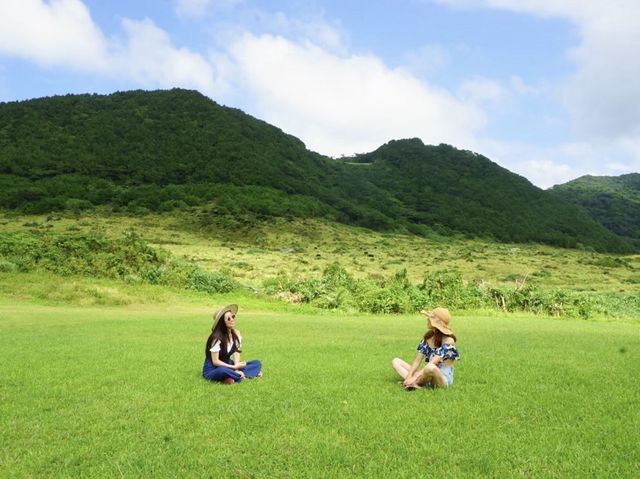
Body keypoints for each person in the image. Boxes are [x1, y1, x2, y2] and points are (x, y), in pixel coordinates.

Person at [392, 307, 460, 389]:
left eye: (430, 319)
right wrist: (409, 377)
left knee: (430, 367)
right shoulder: (428, 338)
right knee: (396, 361)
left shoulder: (449, 341)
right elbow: (417, 361)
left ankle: (416, 384)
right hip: (426, 376)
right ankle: (413, 383)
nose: (427, 320)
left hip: (442, 380)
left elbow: (433, 363)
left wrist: (415, 377)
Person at [202, 304, 262, 384]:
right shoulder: (216, 338)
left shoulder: (236, 334)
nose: (232, 320)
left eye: (233, 317)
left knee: (257, 363)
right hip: (214, 368)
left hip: (228, 364)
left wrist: (236, 367)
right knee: (222, 371)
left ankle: (233, 376)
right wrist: (233, 367)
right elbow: (215, 361)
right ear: (222, 322)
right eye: (228, 319)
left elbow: (236, 352)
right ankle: (241, 375)